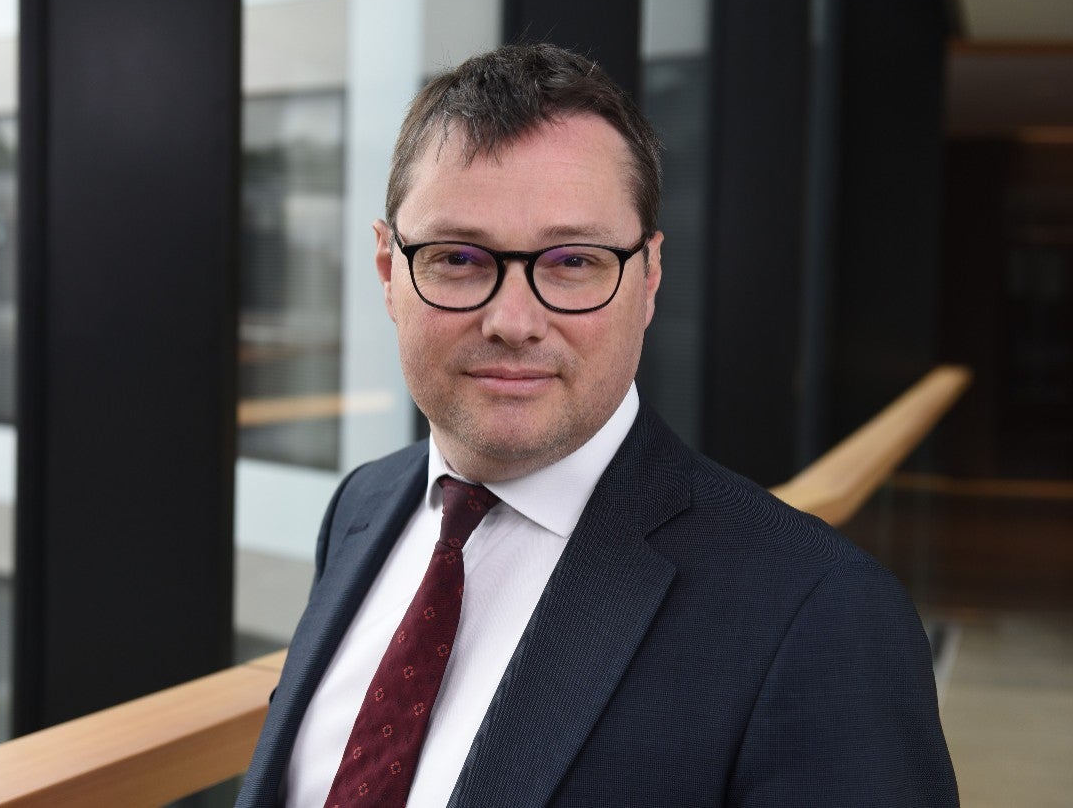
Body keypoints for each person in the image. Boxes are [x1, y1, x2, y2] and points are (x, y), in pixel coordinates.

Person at [237, 43, 957, 807]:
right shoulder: (363, 507)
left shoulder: (818, 612)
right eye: (459, 258)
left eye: (573, 262)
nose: (514, 321)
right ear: (389, 270)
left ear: (648, 279)